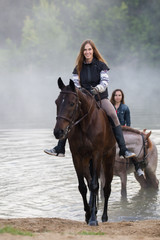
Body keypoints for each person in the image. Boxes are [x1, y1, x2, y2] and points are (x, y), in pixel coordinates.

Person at [44, 39, 136, 161]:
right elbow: (76, 85)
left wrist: (98, 88)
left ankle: (123, 150)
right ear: (82, 52)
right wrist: (82, 92)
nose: (87, 52)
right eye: (85, 50)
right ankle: (60, 148)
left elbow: (105, 82)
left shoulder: (101, 65)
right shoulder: (78, 68)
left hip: (100, 98)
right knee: (69, 115)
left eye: (89, 49)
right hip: (84, 99)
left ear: (93, 51)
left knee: (113, 115)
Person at [110, 89, 144, 176]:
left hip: (123, 132)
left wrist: (126, 130)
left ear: (122, 97)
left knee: (128, 149)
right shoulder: (109, 107)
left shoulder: (125, 108)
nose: (117, 97)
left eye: (119, 95)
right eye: (116, 95)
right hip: (110, 132)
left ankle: (137, 167)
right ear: (113, 96)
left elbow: (128, 123)